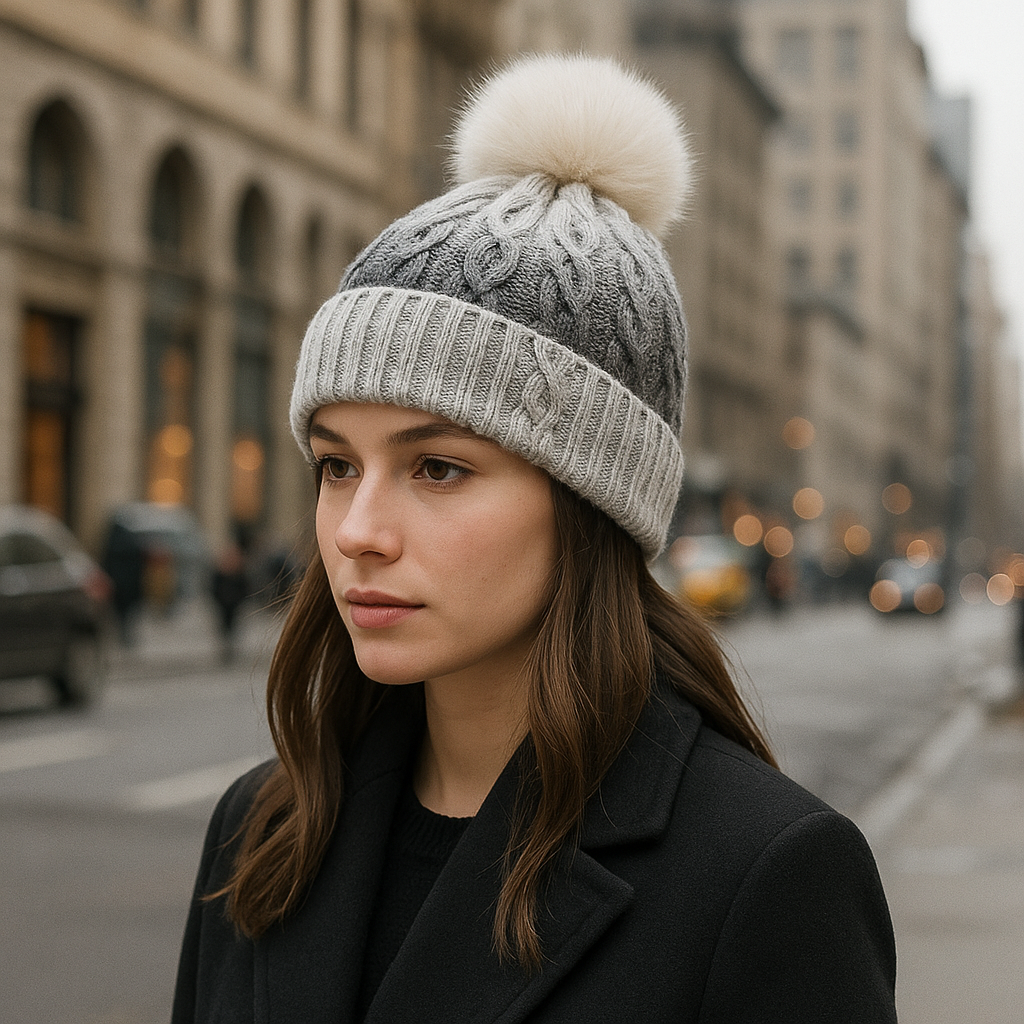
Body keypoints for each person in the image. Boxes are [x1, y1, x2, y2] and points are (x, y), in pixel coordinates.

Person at [172, 54, 897, 1023]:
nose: (357, 531)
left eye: (437, 467)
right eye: (337, 464)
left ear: (590, 498)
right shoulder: (260, 830)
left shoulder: (766, 876)